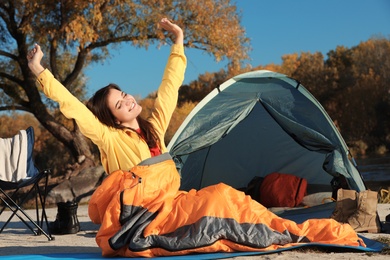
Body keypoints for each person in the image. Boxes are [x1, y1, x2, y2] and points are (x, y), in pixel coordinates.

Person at [27, 18, 363, 258]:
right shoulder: (110, 140)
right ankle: (290, 233)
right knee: (219, 200)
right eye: (119, 103)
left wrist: (178, 43)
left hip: (174, 204)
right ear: (112, 117)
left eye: (125, 94)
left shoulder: (153, 128)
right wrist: (42, 73)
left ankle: (290, 229)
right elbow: (74, 109)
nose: (128, 100)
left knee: (230, 197)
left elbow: (169, 89)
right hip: (149, 217)